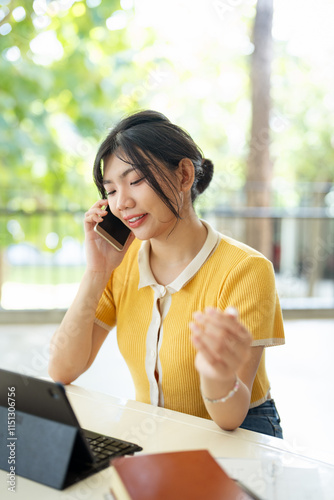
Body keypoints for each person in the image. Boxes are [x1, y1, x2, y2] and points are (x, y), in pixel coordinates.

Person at [48, 110, 285, 437]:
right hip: (154, 430)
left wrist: (215, 373)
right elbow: (62, 370)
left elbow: (230, 417)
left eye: (135, 181)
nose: (122, 203)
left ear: (184, 175)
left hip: (239, 435)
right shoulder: (122, 263)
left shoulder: (246, 269)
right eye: (111, 190)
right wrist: (96, 272)